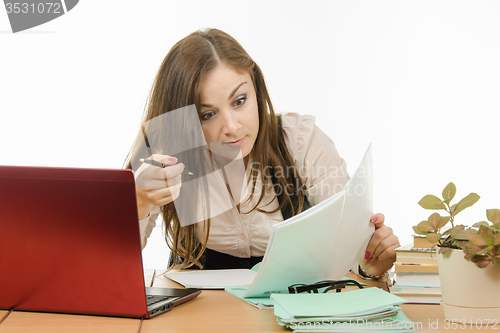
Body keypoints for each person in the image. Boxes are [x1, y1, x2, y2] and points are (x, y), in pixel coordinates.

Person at [125, 28, 400, 279]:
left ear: (256, 88)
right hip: (200, 309)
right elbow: (116, 258)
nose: (231, 127)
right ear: (184, 122)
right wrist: (138, 201)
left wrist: (369, 265)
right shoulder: (165, 152)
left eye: (239, 101)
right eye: (208, 114)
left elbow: (350, 248)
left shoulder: (300, 141)